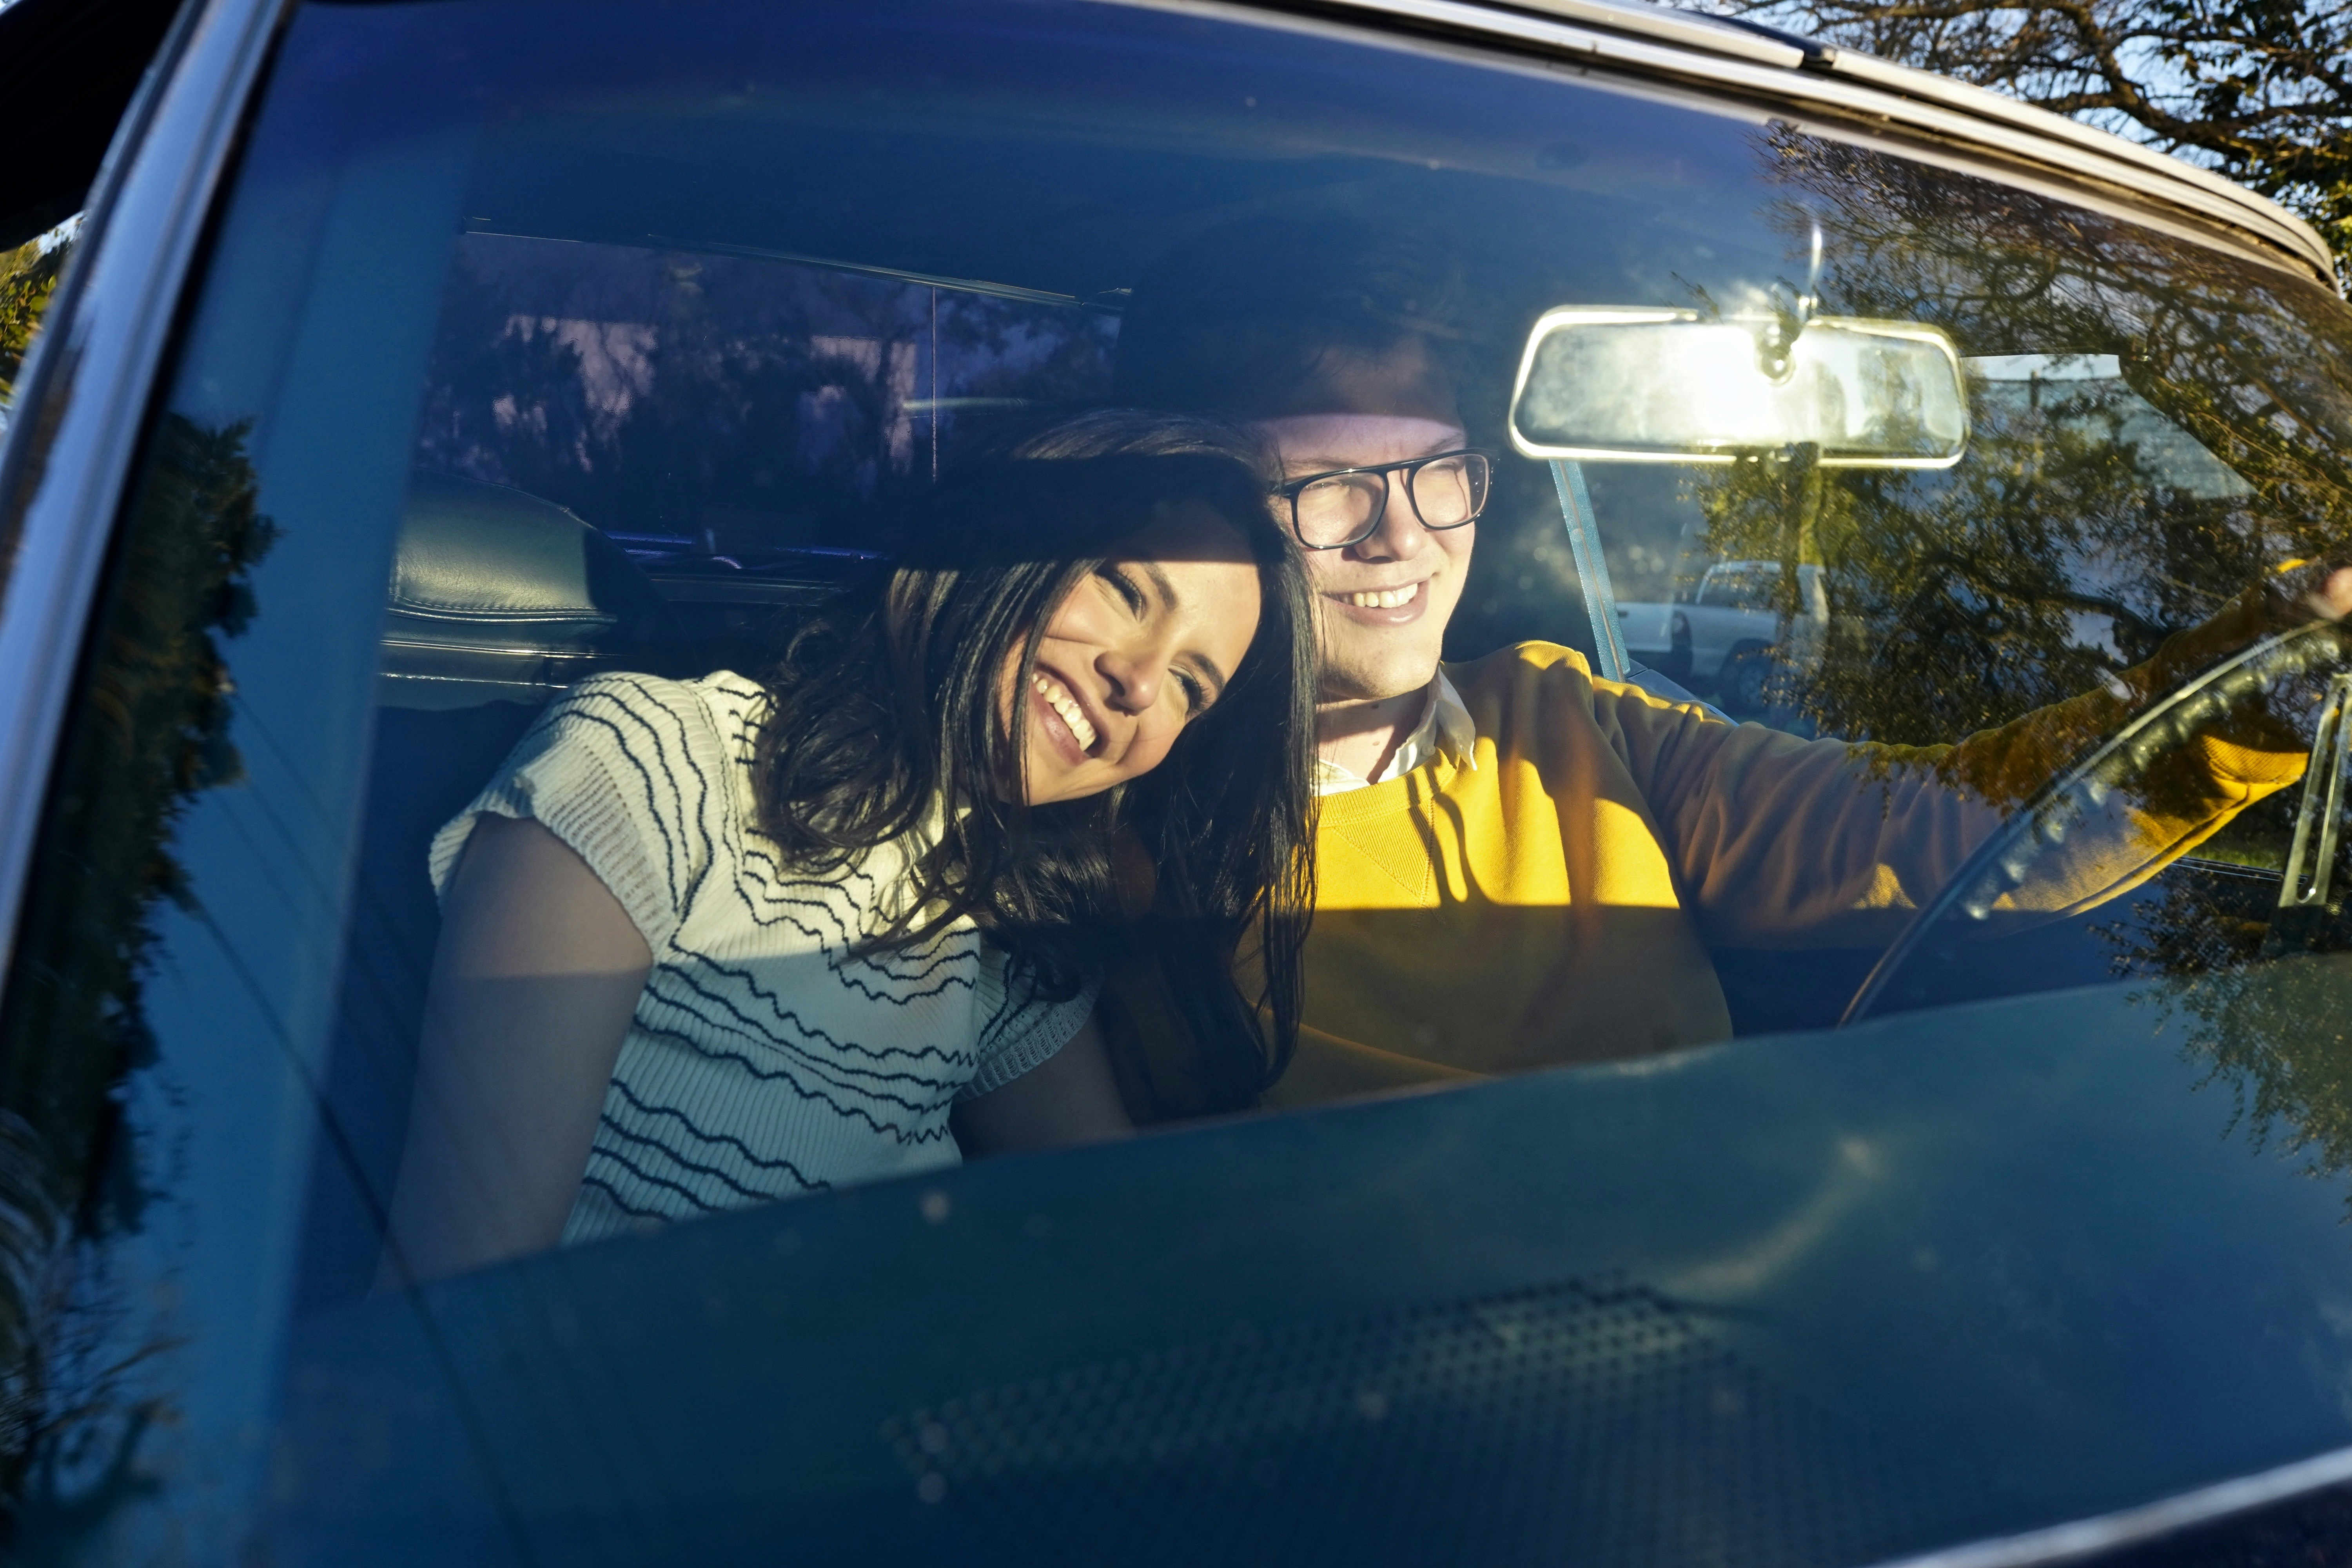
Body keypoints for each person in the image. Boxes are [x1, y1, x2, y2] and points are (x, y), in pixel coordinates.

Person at [1100, 216, 2352, 1117]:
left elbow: (1951, 831)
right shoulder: (1079, 813)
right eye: (1327, 489)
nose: (1405, 537)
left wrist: (2275, 665)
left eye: (1438, 471)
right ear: (1194, 508)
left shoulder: (1572, 726)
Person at [379, 416, 1317, 1286]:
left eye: (1192, 686)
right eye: (1123, 589)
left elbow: (1121, 1233)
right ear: (1004, 540)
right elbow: (462, 1296)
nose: (1140, 681)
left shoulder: (999, 912)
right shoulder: (658, 760)